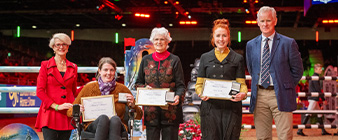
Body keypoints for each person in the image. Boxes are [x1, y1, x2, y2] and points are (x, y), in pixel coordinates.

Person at [246, 6, 304, 140]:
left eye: (268, 20)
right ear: (257, 22)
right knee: (262, 137)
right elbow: (252, 69)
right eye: (262, 21)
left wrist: (285, 85)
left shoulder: (288, 43)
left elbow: (298, 70)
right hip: (259, 96)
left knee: (285, 137)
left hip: (281, 95)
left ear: (275, 21)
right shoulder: (250, 45)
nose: (265, 24)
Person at [195, 19, 248, 140]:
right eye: (218, 35)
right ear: (213, 38)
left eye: (224, 35)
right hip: (210, 108)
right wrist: (200, 93)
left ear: (228, 37)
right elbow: (199, 84)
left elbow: (242, 84)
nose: (221, 39)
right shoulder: (205, 57)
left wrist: (243, 94)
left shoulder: (237, 58)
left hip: (231, 108)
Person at [67, 57, 143, 140]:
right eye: (105, 70)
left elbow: (139, 115)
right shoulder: (89, 88)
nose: (109, 73)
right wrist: (78, 109)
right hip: (93, 125)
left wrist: (133, 105)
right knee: (103, 118)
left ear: (115, 72)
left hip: (117, 125)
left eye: (111, 70)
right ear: (99, 71)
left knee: (115, 119)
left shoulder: (123, 89)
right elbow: (70, 111)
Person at [135, 27, 185, 140]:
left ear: (167, 41)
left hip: (171, 112)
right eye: (156, 39)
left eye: (162, 39)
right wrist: (144, 88)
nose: (159, 42)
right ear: (153, 41)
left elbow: (181, 85)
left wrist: (178, 96)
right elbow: (138, 83)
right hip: (151, 113)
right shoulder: (145, 60)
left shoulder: (175, 60)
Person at [35, 33, 78, 140]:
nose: (61, 47)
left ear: (68, 47)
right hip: (50, 113)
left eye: (64, 44)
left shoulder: (73, 67)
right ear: (53, 47)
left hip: (66, 114)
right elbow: (40, 91)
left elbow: (74, 92)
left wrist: (90, 87)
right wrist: (56, 106)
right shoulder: (45, 65)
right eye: (58, 44)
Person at [297, 64, 331, 136]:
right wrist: (323, 99)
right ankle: (300, 130)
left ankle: (323, 130)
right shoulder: (315, 77)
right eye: (319, 69)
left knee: (319, 114)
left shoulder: (314, 76)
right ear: (315, 69)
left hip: (313, 98)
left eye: (321, 69)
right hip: (313, 99)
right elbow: (318, 89)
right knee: (308, 113)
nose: (320, 70)